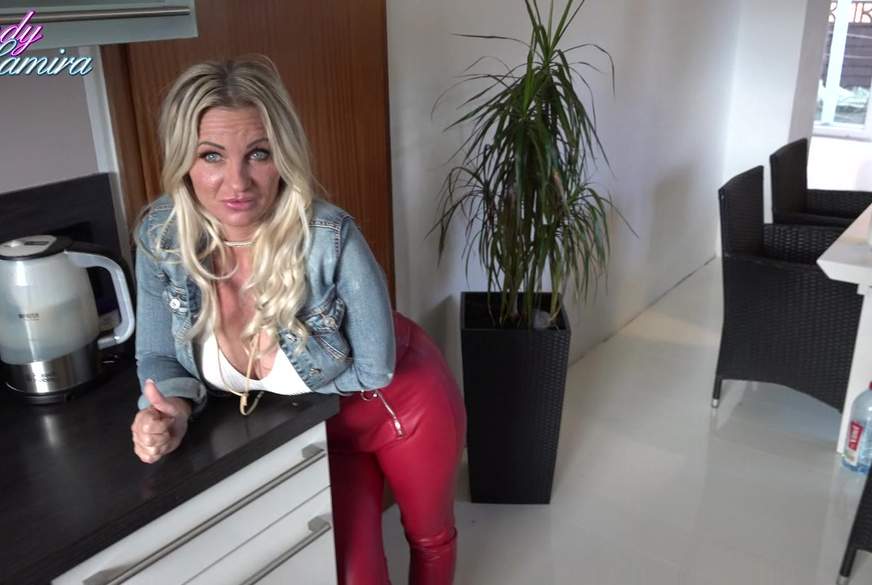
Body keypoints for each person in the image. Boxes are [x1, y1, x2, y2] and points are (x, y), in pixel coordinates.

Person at [129, 55, 466, 585]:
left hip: (401, 404)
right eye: (211, 155)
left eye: (258, 153)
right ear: (183, 162)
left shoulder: (328, 237)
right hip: (317, 424)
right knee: (354, 574)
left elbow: (375, 369)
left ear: (282, 155)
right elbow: (156, 355)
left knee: (429, 538)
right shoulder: (161, 238)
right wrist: (171, 405)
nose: (237, 182)